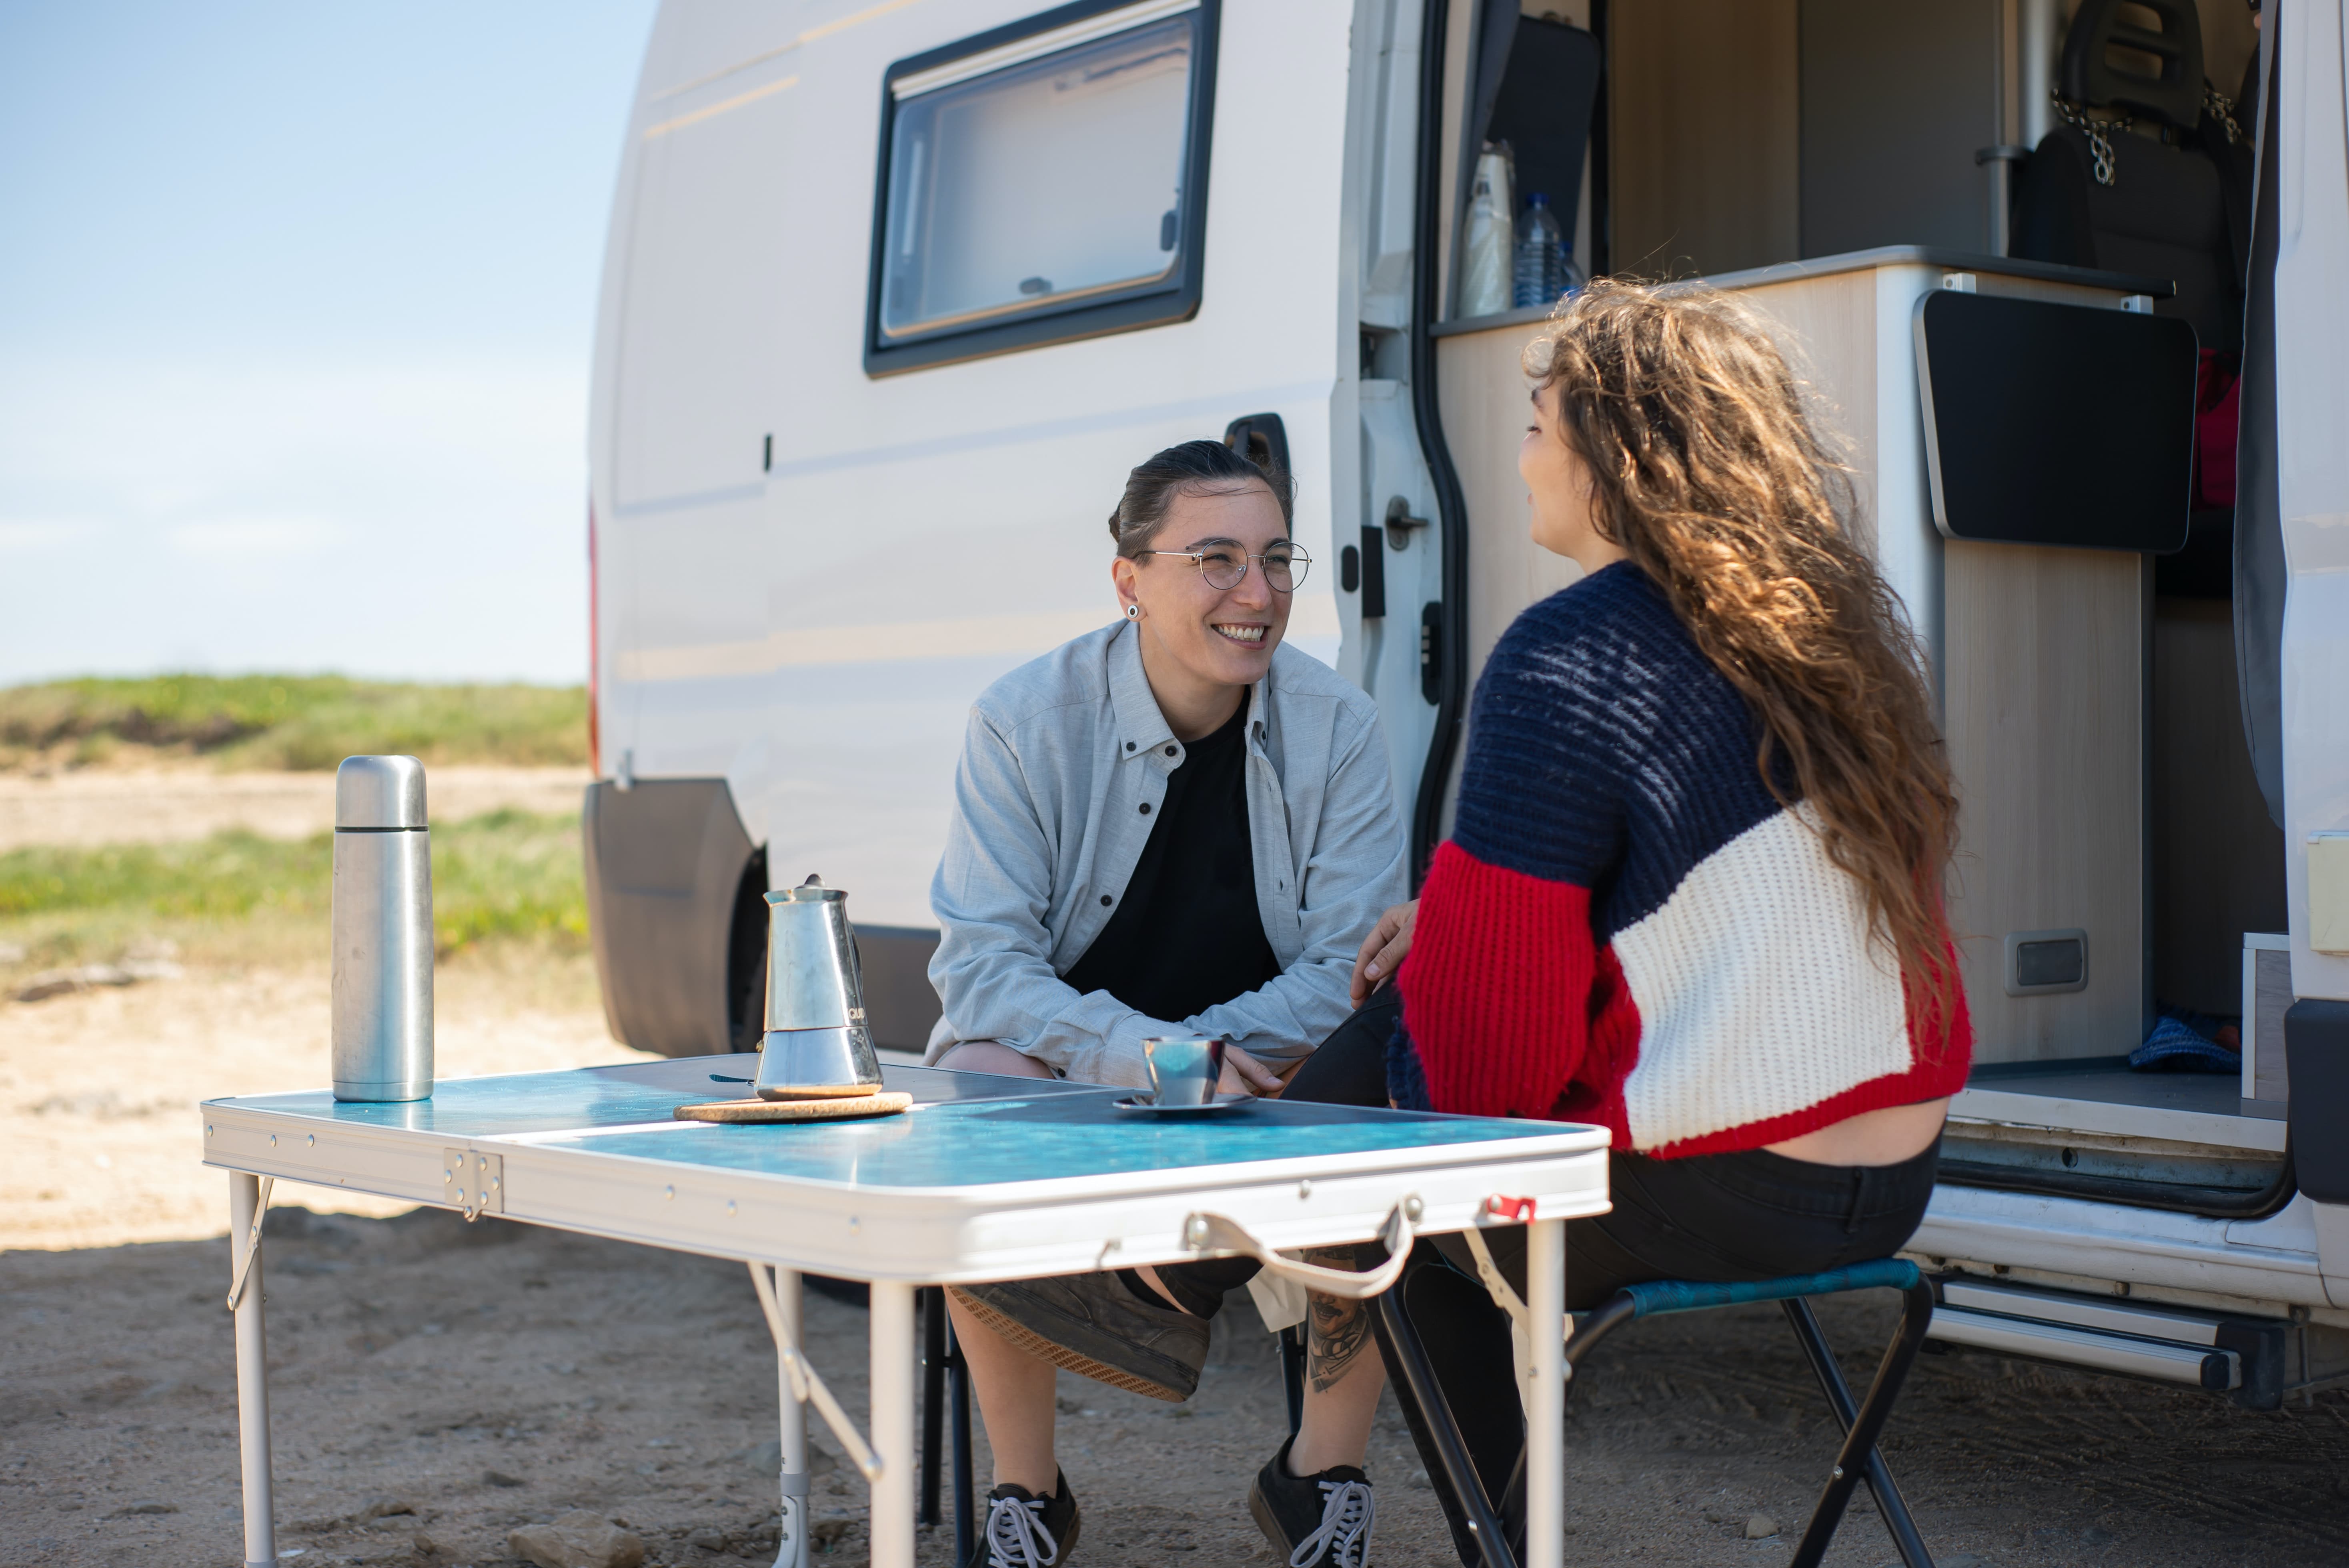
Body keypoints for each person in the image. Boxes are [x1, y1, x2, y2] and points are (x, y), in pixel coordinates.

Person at [1350, 278, 1973, 1562]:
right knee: (1423, 1010)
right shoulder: (1836, 634)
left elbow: (1484, 1086)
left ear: (1611, 455)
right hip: (1893, 1185)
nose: (1517, 457)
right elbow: (1730, 936)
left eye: (1535, 423)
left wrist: (1442, 959)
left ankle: (1173, 1302)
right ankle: (1170, 1307)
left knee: (1398, 1159)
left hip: (1722, 1188)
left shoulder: (1568, 650)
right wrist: (1462, 921)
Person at [923, 437, 1411, 1568]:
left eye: (1277, 558)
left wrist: (1211, 1057)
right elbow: (984, 970)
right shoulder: (1024, 718)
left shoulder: (1339, 728)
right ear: (1130, 580)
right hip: (1079, 1055)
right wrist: (1153, 1055)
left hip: (1270, 1052)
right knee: (977, 1092)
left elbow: (1350, 964)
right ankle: (1025, 1497)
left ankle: (1318, 1479)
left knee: (1386, 1092)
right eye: (1217, 560)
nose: (1259, 594)